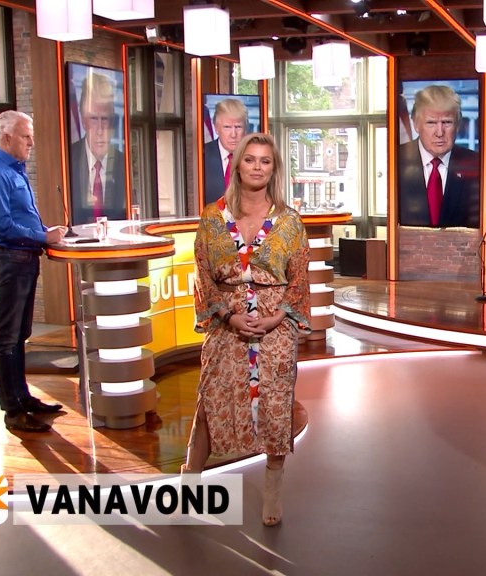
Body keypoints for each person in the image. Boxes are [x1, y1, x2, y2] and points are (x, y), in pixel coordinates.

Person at [184, 132, 311, 527]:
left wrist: (275, 317)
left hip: (275, 327)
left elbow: (299, 278)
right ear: (237, 165)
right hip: (227, 323)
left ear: (274, 169)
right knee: (210, 401)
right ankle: (189, 483)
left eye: (265, 161)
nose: (257, 167)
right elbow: (202, 274)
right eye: (250, 159)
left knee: (276, 407)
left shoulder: (289, 221)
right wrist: (228, 315)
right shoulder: (212, 217)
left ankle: (273, 489)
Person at [0, 110, 67, 433]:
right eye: (26, 136)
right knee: (5, 338)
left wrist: (45, 232)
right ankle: (12, 411)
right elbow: (2, 226)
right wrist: (42, 236)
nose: (31, 142)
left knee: (20, 335)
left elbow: (22, 217)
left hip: (25, 261)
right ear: (6, 137)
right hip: (10, 261)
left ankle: (23, 397)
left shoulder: (16, 171)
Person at [398, 84, 480, 228]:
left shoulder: (476, 164)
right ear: (416, 124)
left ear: (458, 124)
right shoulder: (396, 160)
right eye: (431, 123)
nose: (440, 133)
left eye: (447, 122)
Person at [69, 72, 127, 225]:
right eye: (94, 119)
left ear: (113, 121)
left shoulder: (124, 164)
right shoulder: (68, 160)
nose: (100, 130)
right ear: (83, 121)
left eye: (105, 119)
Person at [203, 97, 248, 206]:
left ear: (245, 129)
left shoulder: (255, 156)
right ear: (216, 128)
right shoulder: (202, 156)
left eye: (238, 127)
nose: (233, 134)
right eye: (227, 127)